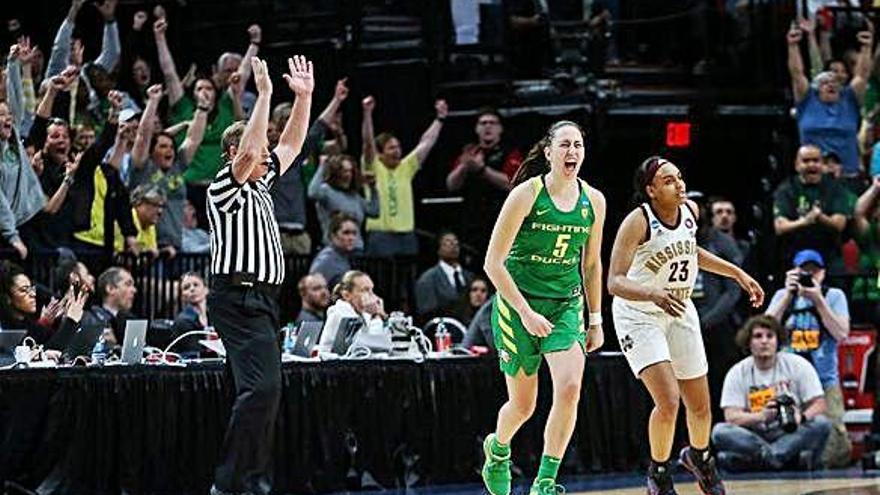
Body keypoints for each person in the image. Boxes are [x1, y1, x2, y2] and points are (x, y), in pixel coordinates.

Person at [607, 156, 764, 495]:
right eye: (667, 181)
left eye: (678, 177)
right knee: (668, 400)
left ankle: (700, 458)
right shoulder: (638, 221)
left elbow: (692, 252)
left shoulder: (691, 210)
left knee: (701, 405)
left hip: (679, 307)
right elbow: (614, 282)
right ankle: (659, 474)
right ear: (650, 190)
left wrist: (737, 273)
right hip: (639, 313)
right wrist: (651, 291)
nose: (678, 184)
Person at [206, 55, 313, 495]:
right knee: (262, 389)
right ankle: (231, 485)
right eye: (258, 152)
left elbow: (291, 145)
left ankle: (249, 480)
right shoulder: (223, 187)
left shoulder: (263, 183)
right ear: (233, 154)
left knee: (265, 393)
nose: (269, 158)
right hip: (238, 298)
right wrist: (265, 95)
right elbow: (254, 150)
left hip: (264, 301)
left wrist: (303, 98)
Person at [481, 120, 606, 495]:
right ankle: (498, 448)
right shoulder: (526, 194)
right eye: (565, 145)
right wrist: (525, 312)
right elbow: (493, 264)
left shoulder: (594, 200)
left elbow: (592, 264)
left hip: (566, 304)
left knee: (569, 388)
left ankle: (545, 482)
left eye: (579, 146)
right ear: (548, 152)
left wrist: (596, 319)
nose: (573, 152)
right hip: (518, 303)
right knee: (523, 406)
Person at [765, 249, 852, 467]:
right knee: (789, 435)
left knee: (833, 449)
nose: (809, 276)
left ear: (823, 273)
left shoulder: (834, 295)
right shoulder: (783, 295)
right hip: (788, 385)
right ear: (794, 271)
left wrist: (818, 300)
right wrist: (787, 295)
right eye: (804, 271)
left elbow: (841, 334)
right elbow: (761, 330)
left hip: (825, 381)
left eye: (814, 271)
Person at [711, 315, 832, 472]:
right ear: (749, 342)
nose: (764, 341)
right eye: (758, 336)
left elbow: (819, 404)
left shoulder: (798, 365)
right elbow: (731, 416)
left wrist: (800, 417)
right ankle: (779, 458)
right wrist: (761, 416)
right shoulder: (737, 372)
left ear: (778, 341)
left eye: (770, 336)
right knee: (720, 431)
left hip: (790, 435)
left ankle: (762, 460)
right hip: (754, 436)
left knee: (822, 423)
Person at [361, 95, 447, 257]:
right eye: (391, 148)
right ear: (380, 153)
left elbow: (426, 142)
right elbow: (367, 142)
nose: (397, 151)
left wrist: (440, 119)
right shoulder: (373, 167)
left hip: (407, 235)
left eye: (398, 147)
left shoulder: (405, 167)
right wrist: (367, 114)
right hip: (380, 235)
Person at [445, 108, 522, 252]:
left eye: (492, 123)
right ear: (476, 128)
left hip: (502, 219)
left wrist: (482, 170)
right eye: (483, 123)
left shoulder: (510, 152)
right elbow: (451, 185)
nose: (488, 126)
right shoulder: (469, 153)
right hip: (473, 221)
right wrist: (464, 166)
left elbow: (512, 184)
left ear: (500, 129)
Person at [773, 144, 849, 273]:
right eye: (806, 161)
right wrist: (805, 221)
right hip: (794, 253)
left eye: (815, 160)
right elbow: (780, 227)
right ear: (797, 165)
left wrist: (820, 217)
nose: (811, 165)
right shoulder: (786, 189)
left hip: (828, 254)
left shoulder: (835, 188)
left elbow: (839, 224)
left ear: (822, 165)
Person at [308, 153, 378, 250]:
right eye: (344, 171)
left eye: (350, 171)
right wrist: (322, 166)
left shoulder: (355, 197)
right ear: (336, 173)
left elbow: (374, 212)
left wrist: (373, 188)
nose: (348, 175)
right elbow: (312, 193)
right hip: (334, 248)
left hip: (356, 249)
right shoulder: (326, 191)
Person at [316, 270, 385, 353]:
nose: (372, 295)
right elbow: (370, 346)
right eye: (365, 290)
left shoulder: (363, 312)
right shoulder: (341, 312)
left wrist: (381, 316)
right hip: (330, 364)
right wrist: (376, 316)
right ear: (347, 295)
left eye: (371, 290)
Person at [414, 232, 473, 321]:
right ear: (438, 249)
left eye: (456, 242)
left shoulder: (470, 277)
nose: (453, 245)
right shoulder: (428, 279)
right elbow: (426, 313)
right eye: (448, 242)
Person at [308, 213, 358, 288]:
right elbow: (312, 291)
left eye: (354, 233)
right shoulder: (326, 260)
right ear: (333, 235)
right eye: (346, 233)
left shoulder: (344, 256)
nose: (351, 238)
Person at [172, 271, 209, 356]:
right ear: (182, 296)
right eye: (186, 287)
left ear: (206, 289)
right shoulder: (182, 321)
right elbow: (193, 353)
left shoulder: (215, 316)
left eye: (196, 285)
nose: (192, 289)